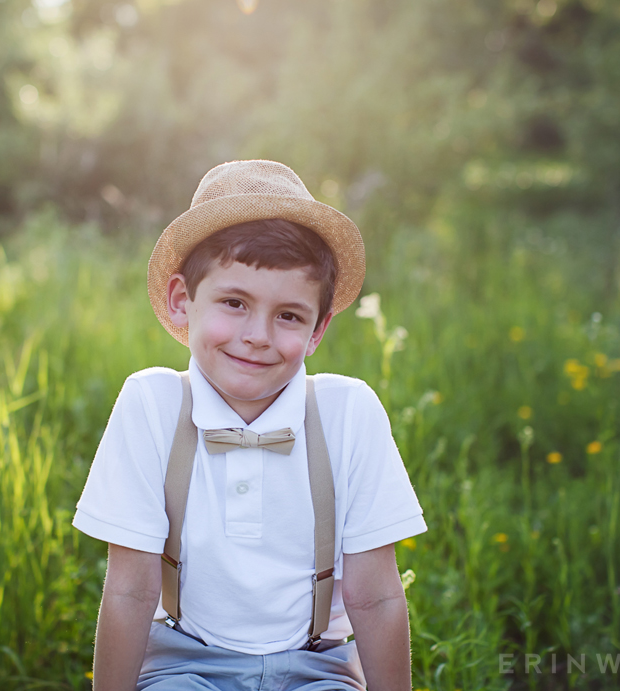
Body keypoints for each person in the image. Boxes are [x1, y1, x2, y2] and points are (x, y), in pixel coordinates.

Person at [74, 160, 427, 690]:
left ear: (317, 330)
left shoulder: (348, 412)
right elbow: (130, 591)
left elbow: (375, 596)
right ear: (180, 302)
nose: (258, 335)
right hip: (185, 664)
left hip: (318, 667)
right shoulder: (152, 403)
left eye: (288, 315)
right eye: (234, 303)